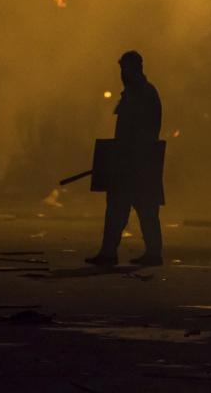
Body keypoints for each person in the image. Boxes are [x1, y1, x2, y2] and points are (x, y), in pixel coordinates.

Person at [86, 50, 164, 267]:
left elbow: (143, 131)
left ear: (136, 68)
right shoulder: (134, 93)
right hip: (128, 161)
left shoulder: (144, 94)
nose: (122, 73)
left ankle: (152, 253)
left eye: (125, 69)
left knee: (144, 209)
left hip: (138, 162)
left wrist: (130, 154)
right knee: (118, 209)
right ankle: (109, 252)